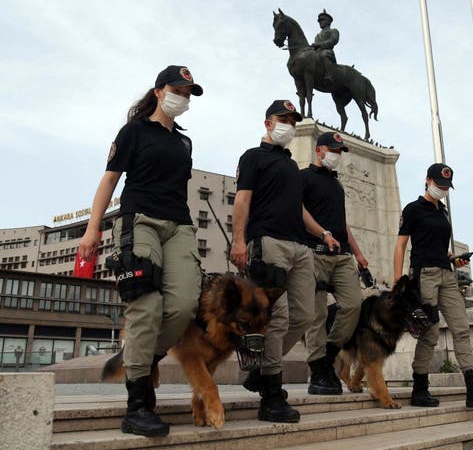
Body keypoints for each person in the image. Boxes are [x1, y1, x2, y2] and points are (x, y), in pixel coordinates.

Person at [78, 65, 204, 437]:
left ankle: (141, 359)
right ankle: (138, 403)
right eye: (179, 89)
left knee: (185, 305)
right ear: (160, 90)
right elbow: (110, 179)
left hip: (178, 226)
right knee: (145, 306)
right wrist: (92, 228)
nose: (183, 96)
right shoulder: (133, 131)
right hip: (139, 220)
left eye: (189, 92)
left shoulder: (184, 142)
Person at [230, 100, 340, 423]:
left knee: (304, 316)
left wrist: (323, 234)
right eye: (283, 119)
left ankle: (263, 369)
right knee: (275, 318)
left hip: (300, 248)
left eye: (293, 120)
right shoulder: (252, 157)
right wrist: (239, 240)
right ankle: (271, 395)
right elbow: (242, 200)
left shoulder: (291, 165)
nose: (289, 125)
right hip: (268, 244)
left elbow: (299, 210)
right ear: (267, 123)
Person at [393, 163, 473, 408]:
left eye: (446, 187)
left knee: (461, 328)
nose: (442, 189)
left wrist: (454, 258)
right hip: (425, 275)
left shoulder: (442, 211)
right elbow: (401, 245)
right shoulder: (413, 209)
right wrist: (398, 282)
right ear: (427, 180)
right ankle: (419, 388)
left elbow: (437, 247)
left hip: (446, 274)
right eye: (439, 185)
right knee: (430, 332)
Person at [302, 131, 368, 395]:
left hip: (342, 256)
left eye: (339, 151)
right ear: (319, 151)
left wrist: (359, 253)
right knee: (316, 315)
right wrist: (323, 233)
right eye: (333, 150)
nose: (336, 156)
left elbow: (342, 223)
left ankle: (328, 355)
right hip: (315, 252)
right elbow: (299, 211)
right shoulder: (303, 177)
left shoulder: (337, 185)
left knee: (353, 305)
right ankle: (318, 371)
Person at [313, 9, 339, 84]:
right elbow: (315, 47)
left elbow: (333, 40)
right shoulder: (317, 36)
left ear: (328, 21)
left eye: (322, 20)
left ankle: (330, 75)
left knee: (324, 55)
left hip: (327, 52)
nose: (320, 22)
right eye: (319, 21)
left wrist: (319, 45)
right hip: (316, 53)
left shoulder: (333, 31)